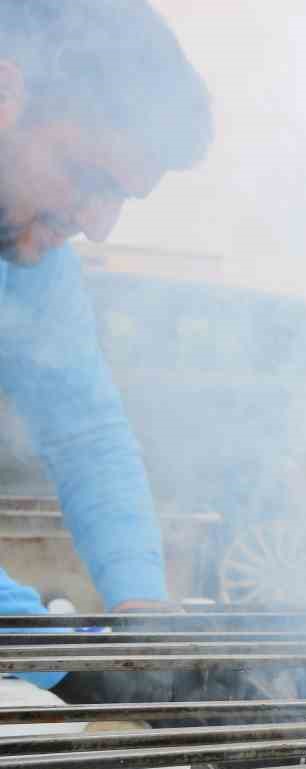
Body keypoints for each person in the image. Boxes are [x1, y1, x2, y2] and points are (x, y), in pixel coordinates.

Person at [0, 0, 213, 702]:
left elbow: (85, 429)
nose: (96, 225)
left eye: (121, 197)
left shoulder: (32, 257)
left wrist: (141, 610)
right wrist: (36, 642)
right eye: (88, 178)